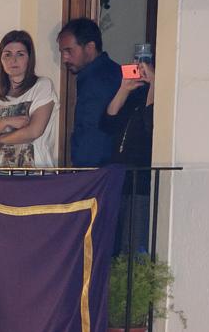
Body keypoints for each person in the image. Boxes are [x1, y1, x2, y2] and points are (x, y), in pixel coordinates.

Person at [0, 30, 57, 168]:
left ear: (29, 58)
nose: (13, 60)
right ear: (0, 60)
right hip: (0, 175)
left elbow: (33, 132)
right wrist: (6, 121)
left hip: (36, 174)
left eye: (20, 54)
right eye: (7, 55)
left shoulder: (42, 86)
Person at [101, 55, 156, 254]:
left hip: (141, 183)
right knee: (114, 245)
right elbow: (108, 122)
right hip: (119, 180)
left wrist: (156, 84)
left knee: (133, 247)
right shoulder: (134, 97)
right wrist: (124, 88)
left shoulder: (160, 99)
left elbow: (151, 123)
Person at [57, 17, 121, 167]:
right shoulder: (109, 72)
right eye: (62, 52)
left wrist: (82, 172)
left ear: (90, 47)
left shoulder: (98, 79)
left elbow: (92, 132)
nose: (64, 57)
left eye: (69, 50)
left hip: (97, 171)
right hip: (108, 169)